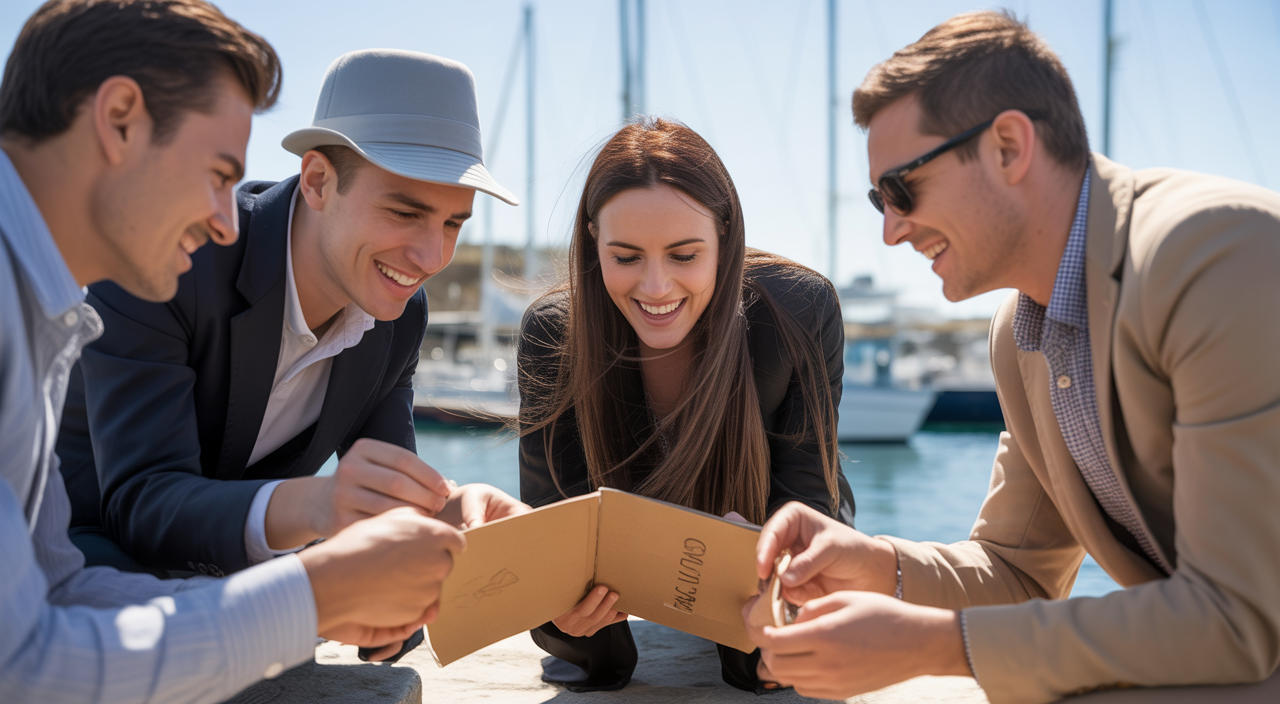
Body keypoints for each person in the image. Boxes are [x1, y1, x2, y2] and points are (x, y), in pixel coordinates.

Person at [742, 11, 1280, 704]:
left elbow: (1238, 615)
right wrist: (869, 561)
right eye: (879, 199)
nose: (890, 230)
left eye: (902, 189)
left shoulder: (1211, 255)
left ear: (1007, 146)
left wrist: (928, 645)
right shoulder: (1019, 333)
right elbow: (1018, 571)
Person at [0, 1, 472, 701]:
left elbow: (54, 595)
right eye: (219, 174)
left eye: (455, 225)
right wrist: (315, 582)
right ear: (120, 117)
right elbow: (28, 658)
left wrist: (441, 539)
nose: (226, 221)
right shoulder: (130, 278)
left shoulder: (38, 299)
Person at [56, 46, 523, 596]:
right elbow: (141, 503)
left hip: (244, 602)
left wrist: (448, 512)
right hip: (76, 571)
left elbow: (388, 503)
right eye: (405, 213)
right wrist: (319, 507)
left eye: (452, 224)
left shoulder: (398, 313)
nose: (431, 258)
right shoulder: (169, 260)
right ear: (318, 180)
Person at [517, 117, 857, 693]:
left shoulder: (801, 310)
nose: (655, 287)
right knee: (592, 665)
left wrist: (775, 592)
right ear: (591, 241)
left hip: (772, 541)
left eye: (683, 255)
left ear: (725, 240)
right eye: (625, 257)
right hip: (623, 573)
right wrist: (562, 614)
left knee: (764, 671)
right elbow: (553, 527)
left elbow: (809, 499)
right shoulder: (555, 336)